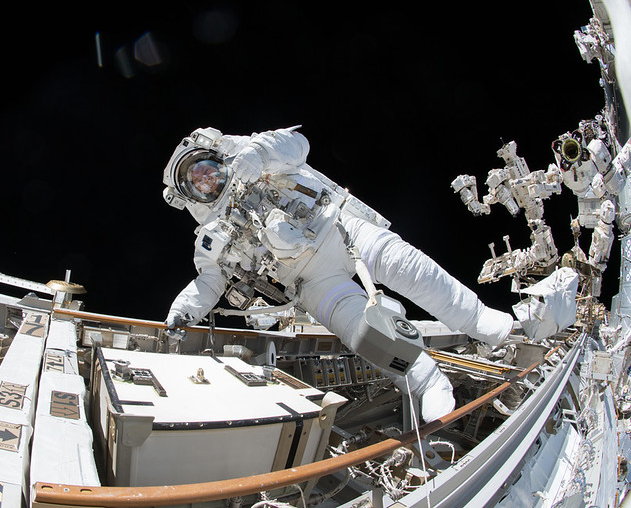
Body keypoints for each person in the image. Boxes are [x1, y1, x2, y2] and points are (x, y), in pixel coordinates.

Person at [162, 126, 515, 422]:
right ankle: (426, 383)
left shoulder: (255, 155)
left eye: (205, 168)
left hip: (339, 230)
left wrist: (259, 155)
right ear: (194, 195)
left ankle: (482, 321)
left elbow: (298, 144)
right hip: (311, 281)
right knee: (363, 335)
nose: (206, 178)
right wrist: (182, 311)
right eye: (198, 182)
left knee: (412, 269)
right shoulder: (212, 236)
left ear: (216, 159)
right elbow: (209, 281)